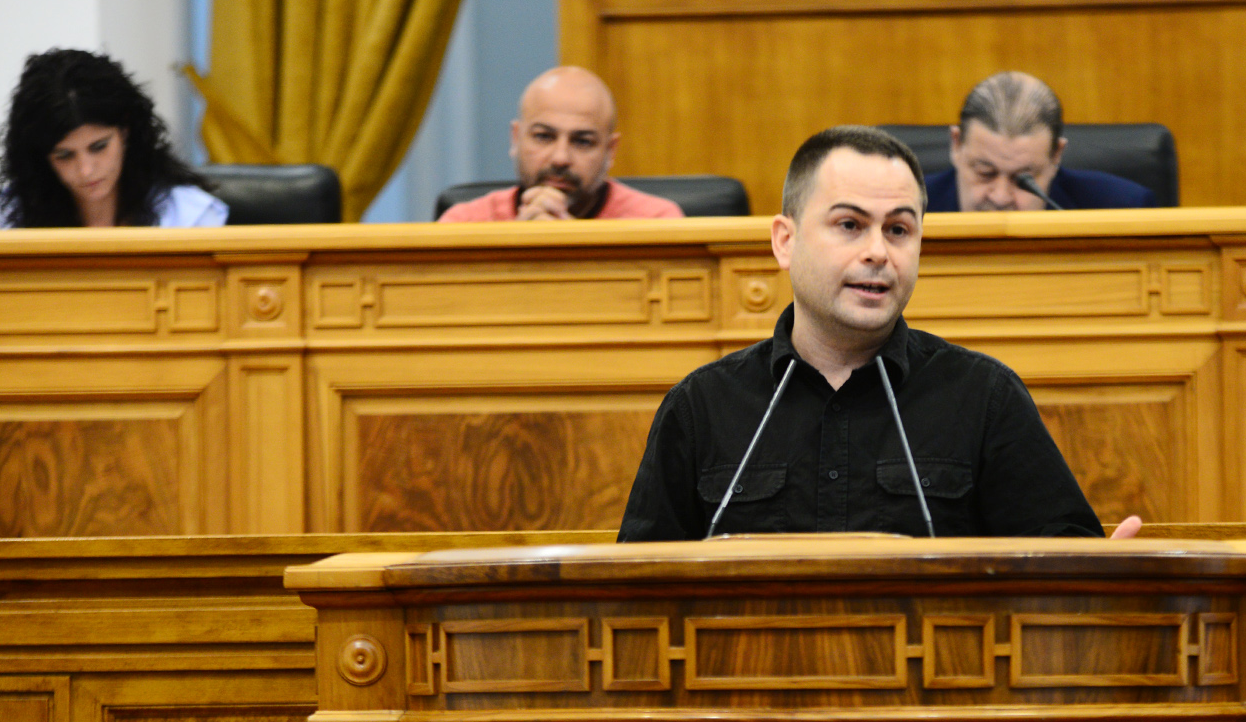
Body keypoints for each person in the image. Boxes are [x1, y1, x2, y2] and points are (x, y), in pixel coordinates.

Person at [618, 125, 1141, 542]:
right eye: (849, 225)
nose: (877, 252)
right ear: (785, 241)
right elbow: (632, 597)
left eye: (898, 230)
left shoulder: (984, 397)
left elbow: (1061, 564)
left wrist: (1093, 578)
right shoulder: (702, 407)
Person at [0, 49, 226, 229]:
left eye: (99, 147)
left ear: (125, 130)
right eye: (64, 155)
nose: (86, 170)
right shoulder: (14, 217)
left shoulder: (189, 217)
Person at [438, 67, 683, 222]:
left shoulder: (656, 223)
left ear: (610, 151)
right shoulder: (465, 223)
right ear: (516, 138)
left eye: (582, 142)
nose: (560, 158)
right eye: (544, 137)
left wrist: (571, 247)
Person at [925, 72, 1154, 213]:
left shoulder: (1123, 210)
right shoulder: (906, 212)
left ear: (1056, 155)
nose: (1000, 197)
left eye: (1023, 179)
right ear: (956, 145)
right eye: (985, 172)